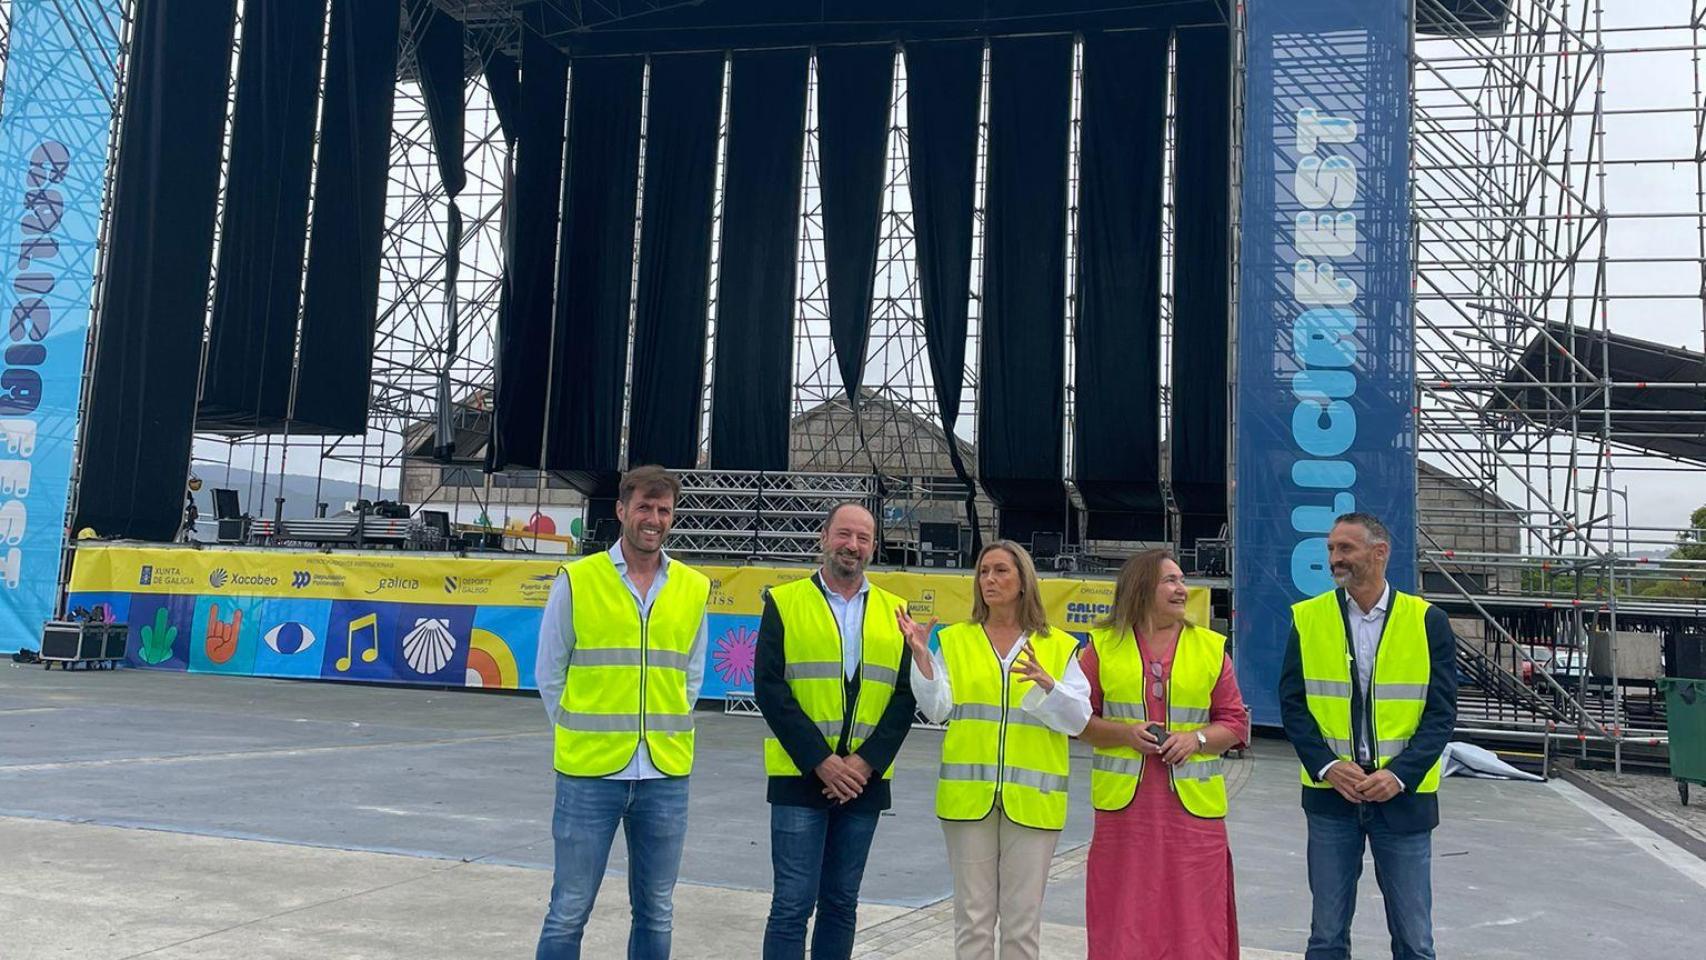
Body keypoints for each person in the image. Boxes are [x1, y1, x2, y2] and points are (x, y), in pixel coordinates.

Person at [534, 465, 711, 960]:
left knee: (656, 910)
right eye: (643, 507)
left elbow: (691, 675)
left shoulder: (693, 587)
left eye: (663, 510)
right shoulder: (578, 580)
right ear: (620, 510)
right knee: (569, 909)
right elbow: (550, 672)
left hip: (664, 773)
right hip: (589, 773)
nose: (653, 519)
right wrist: (580, 731)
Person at [898, 540, 1090, 960]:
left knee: (1022, 922)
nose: (990, 579)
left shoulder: (1058, 646)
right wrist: (923, 660)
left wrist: (1049, 686)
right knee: (972, 919)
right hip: (968, 802)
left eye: (1001, 571)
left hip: (1034, 802)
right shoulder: (955, 640)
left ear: (1023, 581)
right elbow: (937, 709)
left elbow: (1079, 720)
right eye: (984, 572)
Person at [1279, 512, 1458, 960]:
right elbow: (1293, 705)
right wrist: (1326, 766)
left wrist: (1399, 775)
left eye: (1345, 548)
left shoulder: (1427, 621)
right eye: (1331, 549)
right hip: (1331, 797)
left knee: (1415, 941)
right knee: (1326, 937)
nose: (1334, 558)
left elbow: (1441, 714)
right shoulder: (1308, 618)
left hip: (1403, 799)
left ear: (1380, 553)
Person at [754, 501, 917, 960]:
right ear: (823, 538)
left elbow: (906, 695)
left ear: (873, 547)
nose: (853, 545)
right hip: (800, 776)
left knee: (842, 905)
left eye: (863, 538)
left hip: (864, 782)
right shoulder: (784, 602)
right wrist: (821, 761)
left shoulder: (895, 611)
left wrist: (865, 763)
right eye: (844, 534)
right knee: (791, 906)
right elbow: (769, 687)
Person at [1075, 549, 1249, 960]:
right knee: (1123, 914)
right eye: (1170, 580)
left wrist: (1196, 740)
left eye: (1182, 580)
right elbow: (1079, 723)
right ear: (1141, 587)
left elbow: (1235, 723)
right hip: (1124, 816)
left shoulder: (1210, 648)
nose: (1182, 589)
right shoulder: (1101, 648)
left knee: (1195, 917)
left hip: (1194, 818)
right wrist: (1124, 734)